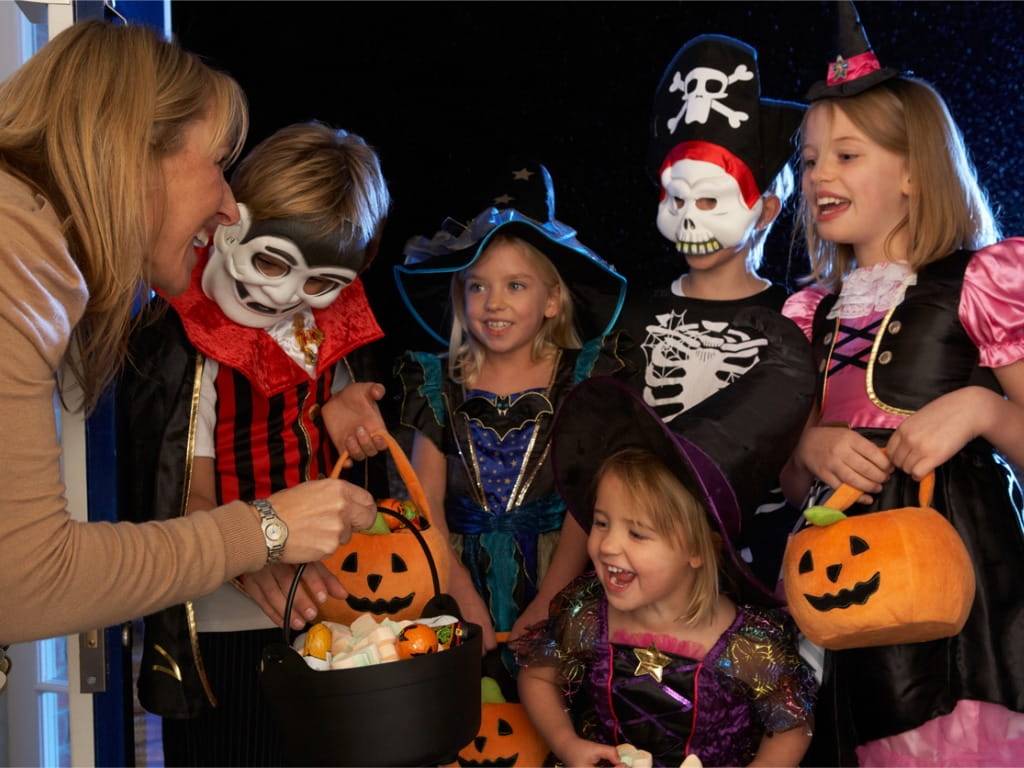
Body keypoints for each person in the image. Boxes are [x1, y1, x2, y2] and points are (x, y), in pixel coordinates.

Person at [0, 20, 376, 649]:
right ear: (132, 150)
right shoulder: (16, 264)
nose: (229, 207)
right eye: (220, 164)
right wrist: (264, 529)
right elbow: (28, 582)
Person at [779, 3, 1024, 764]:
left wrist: (982, 408)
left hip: (977, 602)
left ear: (915, 171)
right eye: (811, 157)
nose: (820, 175)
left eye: (847, 155)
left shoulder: (986, 281)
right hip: (858, 601)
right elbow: (792, 488)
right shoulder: (812, 314)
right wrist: (810, 449)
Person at [117, 121, 390, 764]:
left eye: (318, 282)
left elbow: (335, 433)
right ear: (230, 221)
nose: (284, 293)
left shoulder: (323, 323)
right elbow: (186, 488)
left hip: (326, 597)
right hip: (226, 617)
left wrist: (339, 409)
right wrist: (256, 552)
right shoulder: (188, 340)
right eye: (270, 261)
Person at [391, 161, 636, 681]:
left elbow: (585, 500)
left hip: (562, 573)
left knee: (553, 714)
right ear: (459, 294)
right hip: (451, 571)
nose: (493, 303)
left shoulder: (584, 378)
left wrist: (551, 599)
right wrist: (456, 589)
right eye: (477, 287)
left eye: (516, 286)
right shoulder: (436, 382)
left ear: (552, 300)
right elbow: (423, 504)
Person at [514, 376, 817, 768]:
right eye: (602, 523)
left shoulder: (750, 647)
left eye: (637, 533)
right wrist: (566, 743)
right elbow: (538, 676)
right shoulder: (588, 616)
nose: (607, 545)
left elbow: (793, 727)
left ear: (696, 550)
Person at [616, 34, 816, 590]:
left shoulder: (796, 318)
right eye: (676, 201)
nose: (689, 221)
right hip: (648, 567)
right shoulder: (631, 318)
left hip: (764, 569)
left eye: (710, 202)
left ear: (765, 211)